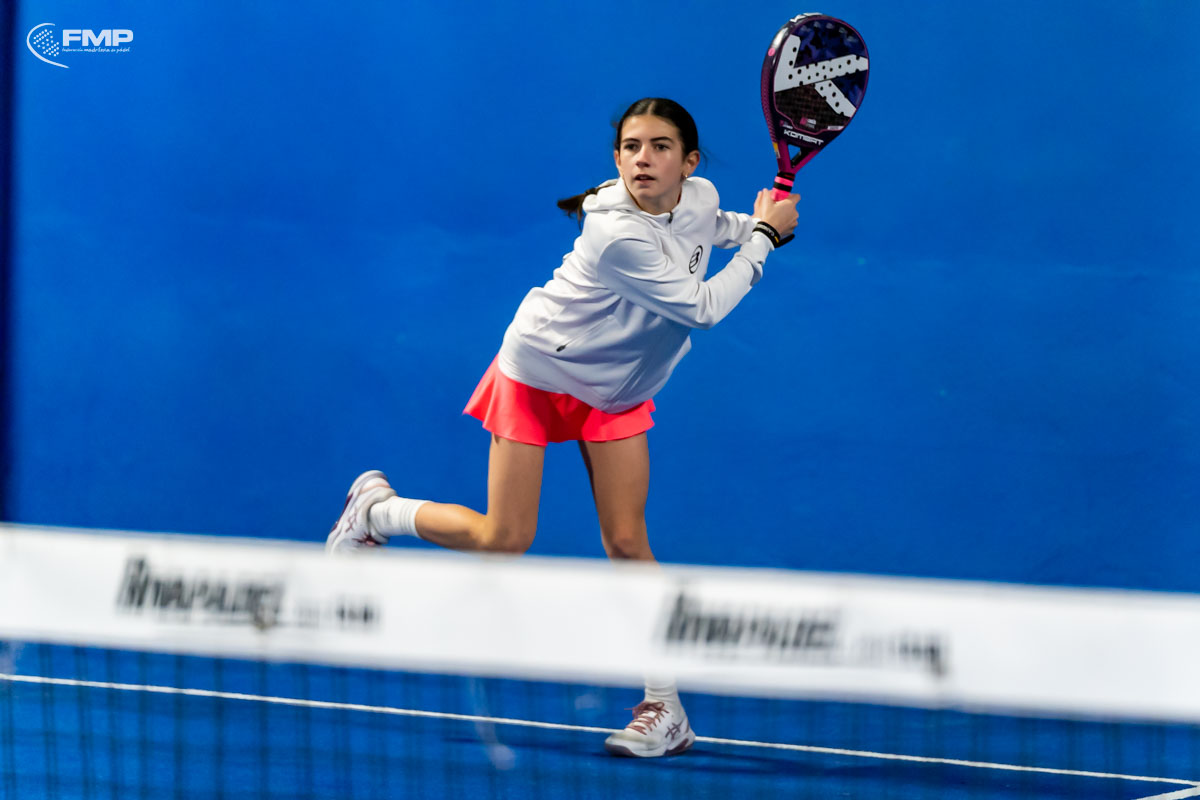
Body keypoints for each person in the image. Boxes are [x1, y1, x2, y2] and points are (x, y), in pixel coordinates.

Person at [326, 97, 799, 758]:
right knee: (505, 539)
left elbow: (709, 227)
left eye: (660, 147)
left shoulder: (700, 195)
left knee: (629, 542)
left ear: (689, 162)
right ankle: (377, 513)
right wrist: (766, 239)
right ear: (617, 157)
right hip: (541, 373)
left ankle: (666, 708)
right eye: (631, 147)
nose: (643, 159)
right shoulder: (615, 236)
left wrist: (754, 222)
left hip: (617, 389)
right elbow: (702, 308)